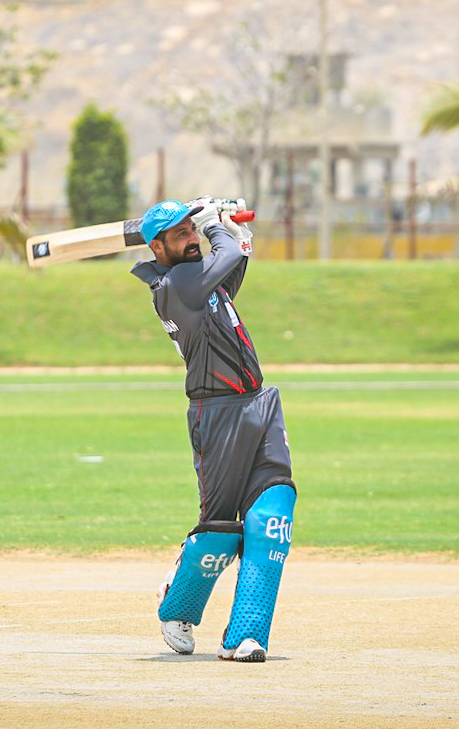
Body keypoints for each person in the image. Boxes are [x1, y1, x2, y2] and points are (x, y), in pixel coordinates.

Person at [130, 196, 296, 663]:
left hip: (258, 403)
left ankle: (246, 634)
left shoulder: (200, 279)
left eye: (191, 230)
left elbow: (232, 266)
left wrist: (234, 232)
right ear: (157, 247)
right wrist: (211, 225)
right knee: (221, 530)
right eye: (180, 234)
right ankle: (178, 605)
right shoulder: (177, 283)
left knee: (273, 518)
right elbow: (222, 258)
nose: (190, 239)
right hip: (216, 412)